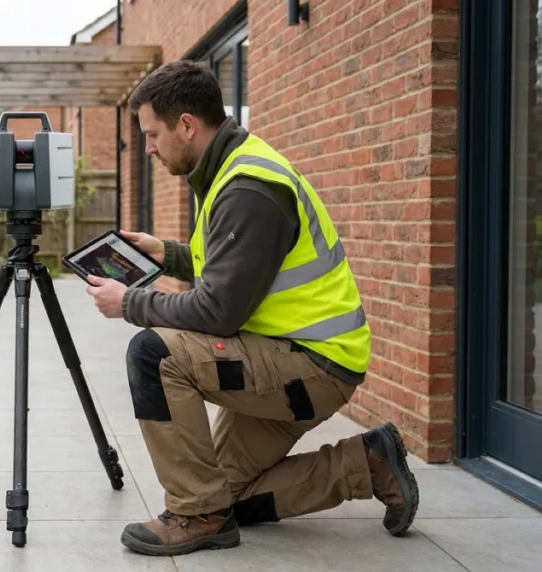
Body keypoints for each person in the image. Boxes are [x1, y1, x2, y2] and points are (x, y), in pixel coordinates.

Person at [83, 60, 419, 557]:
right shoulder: (230, 168)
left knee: (154, 355)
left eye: (152, 134)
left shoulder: (247, 187)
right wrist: (166, 253)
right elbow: (236, 270)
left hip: (309, 365)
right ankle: (368, 462)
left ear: (187, 125)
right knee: (227, 493)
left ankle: (197, 515)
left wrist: (131, 302)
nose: (148, 147)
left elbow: (219, 311)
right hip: (292, 356)